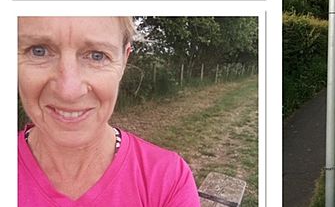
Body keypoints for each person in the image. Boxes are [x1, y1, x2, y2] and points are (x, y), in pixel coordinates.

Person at [18, 17, 200, 206]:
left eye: (97, 55)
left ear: (124, 61)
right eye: (39, 51)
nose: (68, 92)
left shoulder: (167, 180)